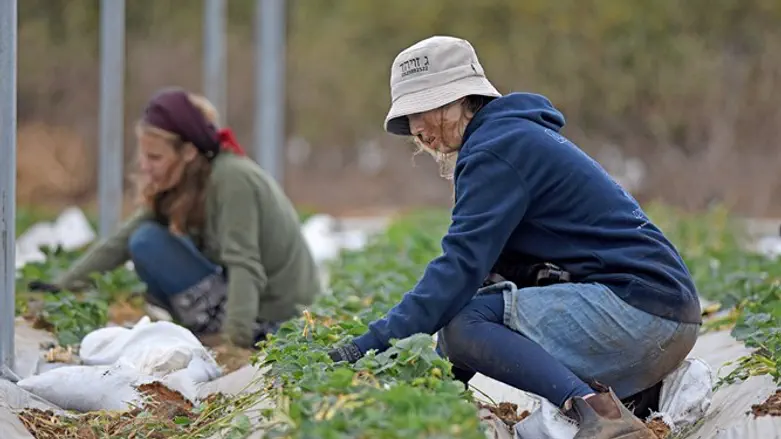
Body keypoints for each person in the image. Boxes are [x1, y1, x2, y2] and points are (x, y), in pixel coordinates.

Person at [326, 36, 701, 439]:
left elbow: (459, 271)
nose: (417, 129)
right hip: (662, 315)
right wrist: (435, 392)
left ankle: (600, 415)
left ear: (459, 99)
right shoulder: (510, 138)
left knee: (464, 324)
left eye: (423, 110)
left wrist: (367, 346)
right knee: (476, 307)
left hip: (643, 314)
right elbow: (488, 274)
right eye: (407, 118)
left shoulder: (496, 151)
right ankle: (637, 399)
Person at [30, 87, 323, 348]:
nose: (145, 166)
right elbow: (118, 243)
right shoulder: (184, 184)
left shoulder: (233, 180)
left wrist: (235, 346)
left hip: (279, 320)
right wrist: (61, 287)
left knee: (147, 243)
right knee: (141, 238)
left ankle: (220, 336)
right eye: (143, 156)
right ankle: (205, 333)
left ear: (188, 152)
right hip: (247, 304)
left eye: (155, 158)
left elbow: (245, 266)